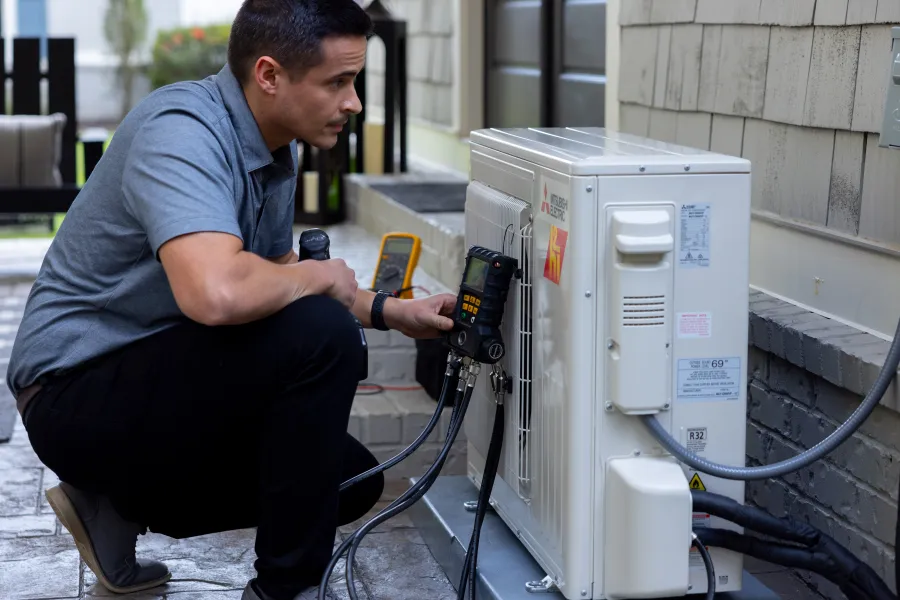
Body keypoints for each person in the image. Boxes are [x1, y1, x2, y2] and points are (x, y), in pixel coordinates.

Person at [5, 1, 457, 599]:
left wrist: (387, 311)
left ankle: (116, 505)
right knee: (321, 333)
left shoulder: (273, 146)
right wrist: (323, 285)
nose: (355, 103)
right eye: (338, 82)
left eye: (356, 81)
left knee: (348, 479)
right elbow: (218, 293)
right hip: (73, 391)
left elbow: (270, 275)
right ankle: (283, 590)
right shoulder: (181, 130)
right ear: (269, 75)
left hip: (156, 375)